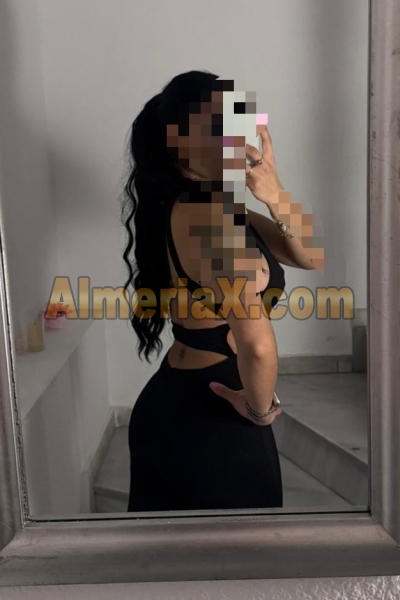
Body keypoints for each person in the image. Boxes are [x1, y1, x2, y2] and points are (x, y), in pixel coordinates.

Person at [122, 70, 315, 512]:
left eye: (237, 123)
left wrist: (275, 193)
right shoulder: (213, 222)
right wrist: (259, 410)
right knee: (242, 553)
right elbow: (257, 345)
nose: (236, 139)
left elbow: (308, 255)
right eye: (217, 127)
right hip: (213, 415)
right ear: (178, 142)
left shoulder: (210, 208)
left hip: (177, 403)